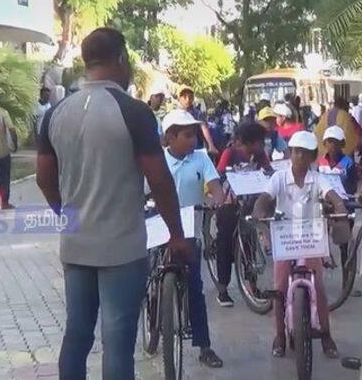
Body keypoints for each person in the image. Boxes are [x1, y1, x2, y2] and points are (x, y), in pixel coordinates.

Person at [36, 28, 192, 380]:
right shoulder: (133, 112)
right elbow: (160, 180)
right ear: (121, 59)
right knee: (118, 341)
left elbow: (44, 178)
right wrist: (177, 234)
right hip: (121, 248)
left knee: (76, 335)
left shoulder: (56, 113)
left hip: (75, 246)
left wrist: (67, 217)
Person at [251, 131, 350, 359]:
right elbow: (264, 200)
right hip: (285, 236)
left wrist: (340, 209)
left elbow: (333, 196)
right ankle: (280, 336)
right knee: (279, 289)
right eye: (295, 152)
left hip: (311, 237)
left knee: (320, 289)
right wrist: (259, 213)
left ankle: (326, 334)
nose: (299, 157)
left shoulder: (318, 178)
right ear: (290, 154)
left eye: (305, 153)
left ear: (313, 156)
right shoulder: (278, 178)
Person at [159, 109, 226, 367]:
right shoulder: (157, 160)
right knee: (145, 275)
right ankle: (153, 321)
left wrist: (215, 201)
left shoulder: (201, 159)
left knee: (195, 289)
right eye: (187, 136)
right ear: (170, 137)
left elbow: (216, 189)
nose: (193, 141)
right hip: (159, 233)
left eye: (194, 135)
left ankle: (204, 346)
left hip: (189, 234)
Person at [213, 122, 270, 306]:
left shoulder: (260, 155)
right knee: (224, 244)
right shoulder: (230, 154)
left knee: (249, 244)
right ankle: (223, 290)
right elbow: (220, 174)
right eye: (259, 142)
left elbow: (268, 171)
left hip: (249, 205)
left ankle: (252, 286)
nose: (261, 145)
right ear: (248, 142)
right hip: (230, 203)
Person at [177, 86, 219, 156]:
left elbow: (204, 128)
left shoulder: (198, 113)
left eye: (190, 97)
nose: (187, 100)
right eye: (184, 97)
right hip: (180, 146)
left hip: (196, 146)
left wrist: (211, 145)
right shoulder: (175, 114)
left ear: (193, 98)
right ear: (179, 99)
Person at [318, 125, 358, 195]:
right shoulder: (321, 162)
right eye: (330, 141)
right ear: (324, 143)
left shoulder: (348, 163)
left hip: (344, 201)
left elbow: (353, 188)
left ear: (342, 144)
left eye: (336, 141)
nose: (333, 145)